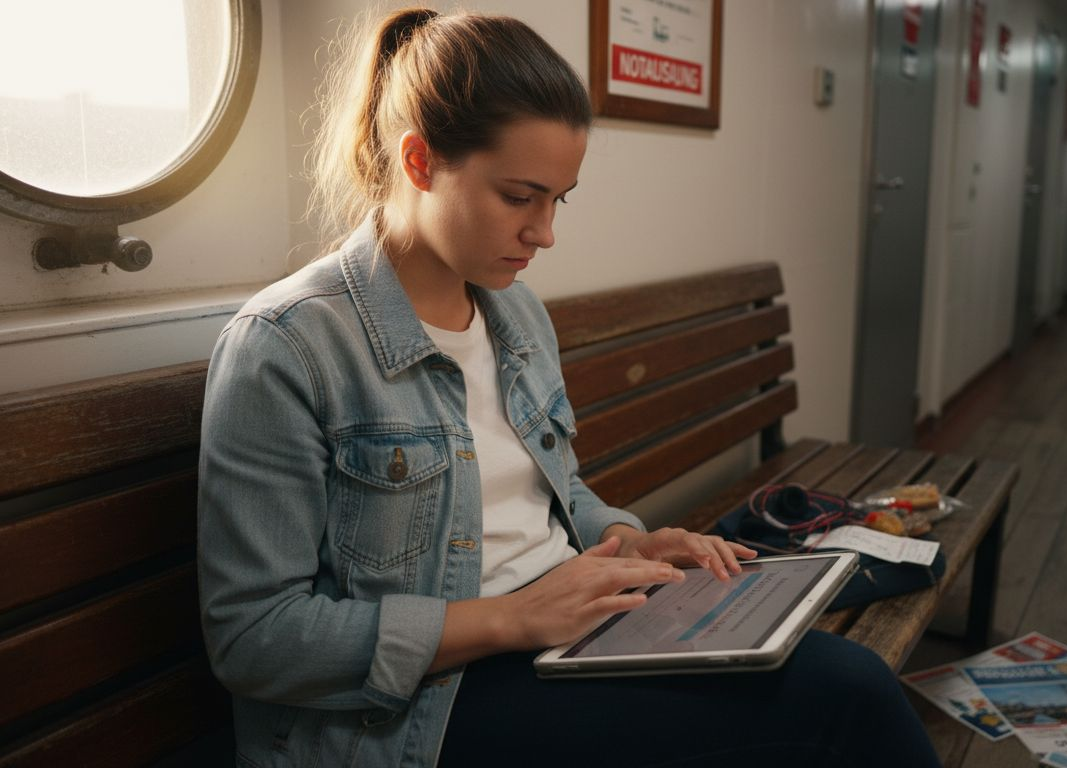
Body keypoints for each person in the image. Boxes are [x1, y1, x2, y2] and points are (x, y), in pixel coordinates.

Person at [197, 8, 942, 767]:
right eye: (520, 197)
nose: (544, 233)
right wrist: (514, 620)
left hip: (566, 635)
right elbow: (256, 640)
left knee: (826, 675)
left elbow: (552, 496)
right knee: (844, 697)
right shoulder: (287, 347)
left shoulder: (513, 313)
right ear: (419, 162)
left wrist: (627, 541)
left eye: (560, 199)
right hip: (421, 707)